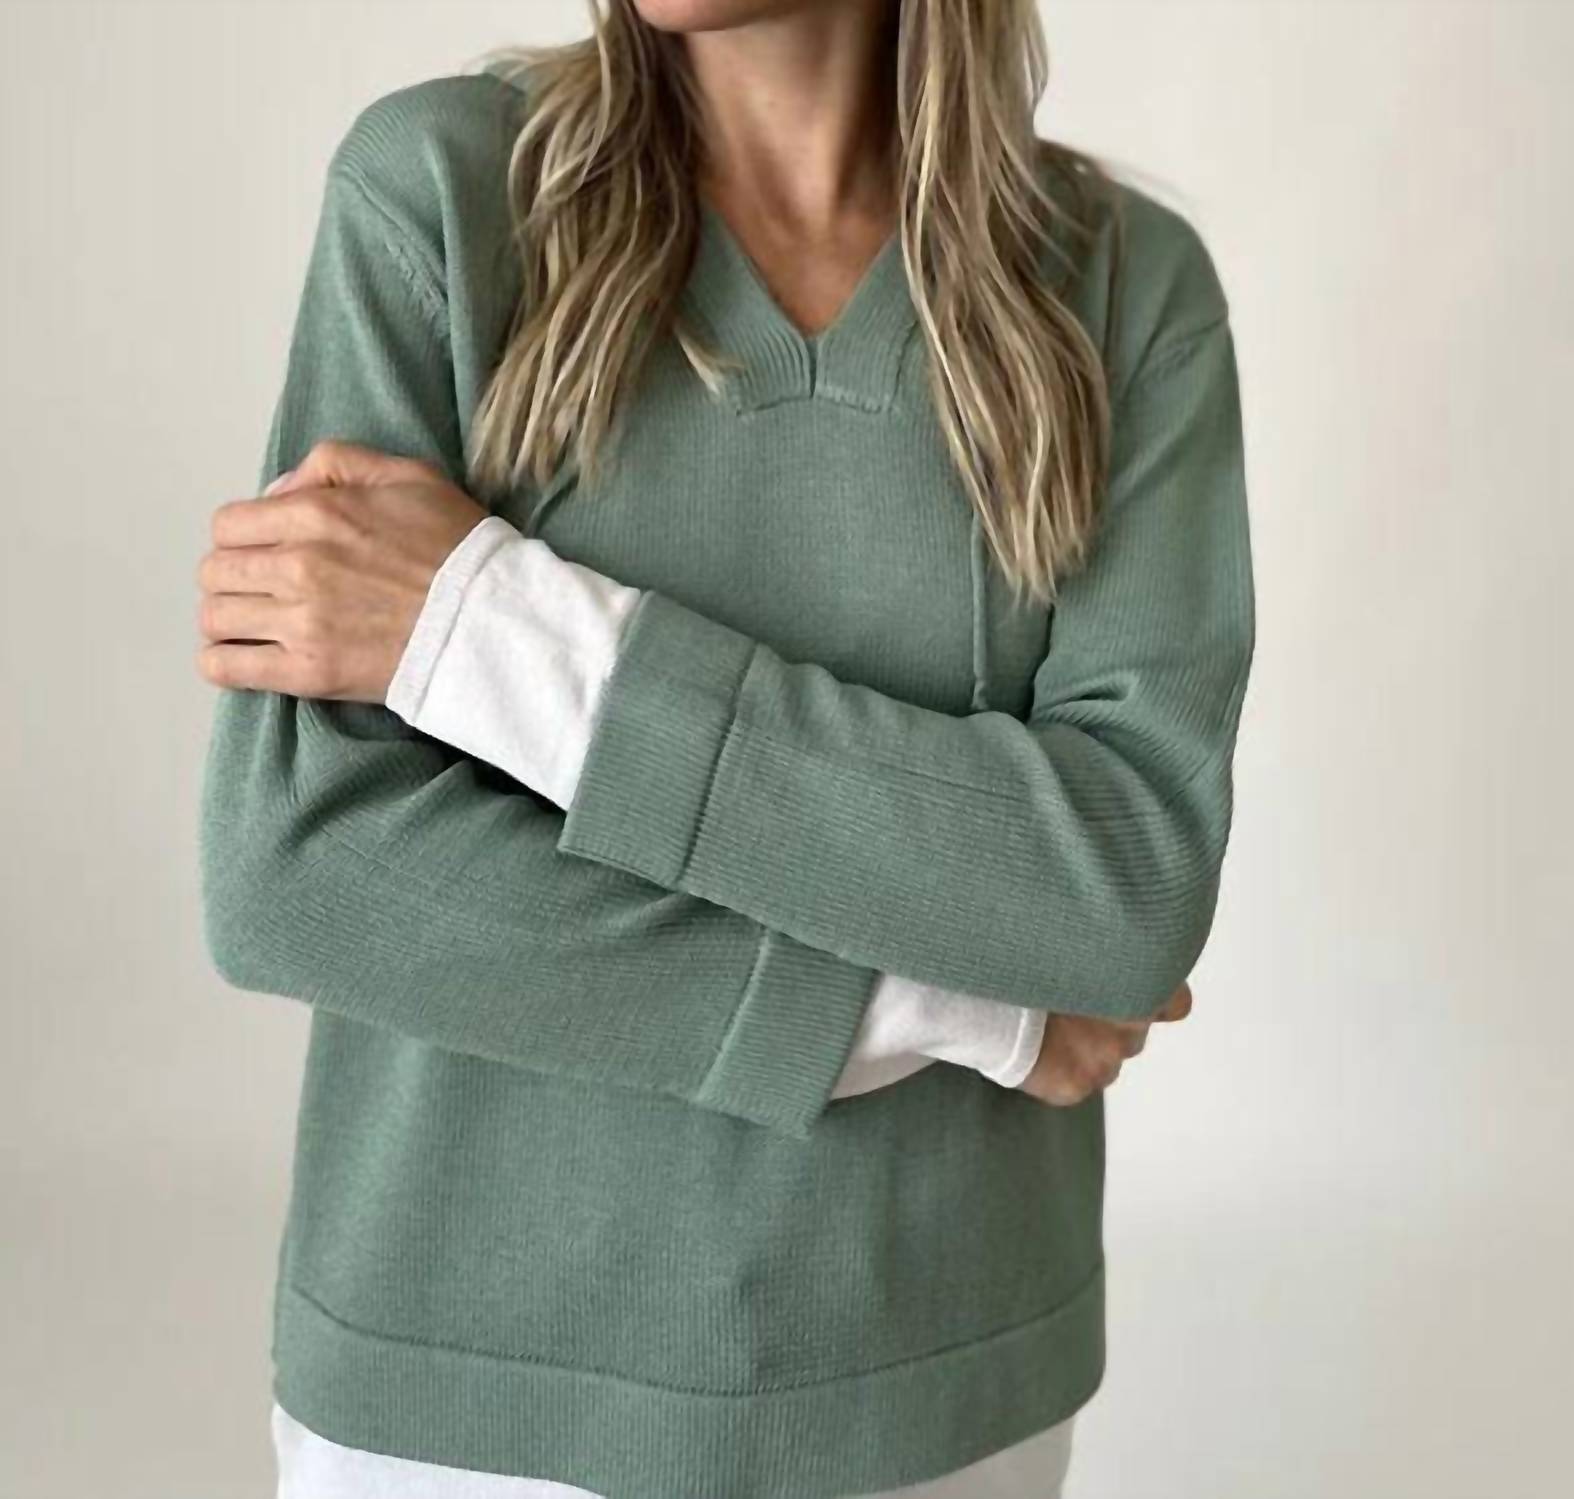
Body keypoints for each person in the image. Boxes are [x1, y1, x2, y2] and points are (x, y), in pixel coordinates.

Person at [195, 1, 1254, 1495]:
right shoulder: (443, 194)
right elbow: (299, 873)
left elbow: (1123, 888)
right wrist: (952, 1000)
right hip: (463, 1405)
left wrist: (494, 632)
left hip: (937, 1385)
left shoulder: (1122, 286)